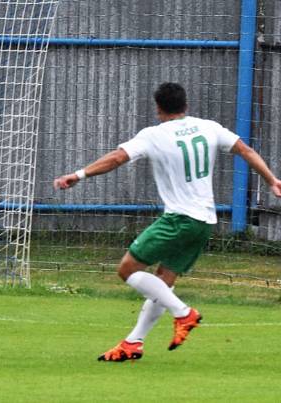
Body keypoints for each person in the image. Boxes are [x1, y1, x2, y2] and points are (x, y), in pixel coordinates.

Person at [54, 82, 281, 361]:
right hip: (205, 221)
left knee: (128, 269)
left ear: (158, 107)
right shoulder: (208, 127)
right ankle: (132, 343)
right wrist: (272, 181)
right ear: (186, 105)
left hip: (178, 219)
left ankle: (184, 314)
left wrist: (78, 175)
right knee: (164, 283)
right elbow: (245, 150)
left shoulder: (153, 135)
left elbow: (117, 158)